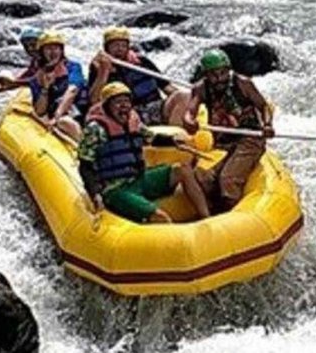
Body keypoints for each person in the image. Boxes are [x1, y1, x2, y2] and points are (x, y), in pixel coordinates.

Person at [79, 82, 210, 224]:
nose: (124, 106)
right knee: (160, 217)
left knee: (183, 169)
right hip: (116, 189)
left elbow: (151, 138)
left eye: (126, 101)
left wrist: (172, 141)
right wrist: (95, 194)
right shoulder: (95, 130)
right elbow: (85, 165)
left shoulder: (132, 121)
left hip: (139, 179)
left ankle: (206, 218)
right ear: (107, 106)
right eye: (117, 102)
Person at [182, 49, 273, 212]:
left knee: (228, 179)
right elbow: (190, 112)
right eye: (213, 75)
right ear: (206, 75)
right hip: (224, 142)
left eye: (223, 73)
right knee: (202, 177)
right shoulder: (201, 89)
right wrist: (189, 121)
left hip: (250, 138)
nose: (219, 79)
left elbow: (263, 106)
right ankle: (214, 211)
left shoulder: (243, 83)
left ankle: (234, 216)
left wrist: (267, 124)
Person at [87, 26, 171, 123]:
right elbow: (94, 101)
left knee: (181, 96)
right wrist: (104, 71)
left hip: (155, 107)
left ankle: (180, 135)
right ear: (107, 48)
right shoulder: (98, 68)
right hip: (127, 113)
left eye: (123, 45)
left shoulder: (142, 62)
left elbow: (168, 88)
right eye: (115, 45)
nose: (119, 49)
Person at [29, 30, 84, 140]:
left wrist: (57, 115)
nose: (53, 52)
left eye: (56, 48)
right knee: (65, 122)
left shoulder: (73, 67)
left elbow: (72, 90)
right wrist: (45, 88)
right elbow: (40, 111)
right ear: (42, 52)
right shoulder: (37, 78)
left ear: (61, 50)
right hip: (64, 119)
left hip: (80, 110)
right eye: (48, 49)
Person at [0, 25, 43, 92]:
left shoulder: (50, 61)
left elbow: (36, 80)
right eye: (26, 46)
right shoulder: (35, 60)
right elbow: (26, 76)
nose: (29, 49)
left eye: (33, 45)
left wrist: (14, 83)